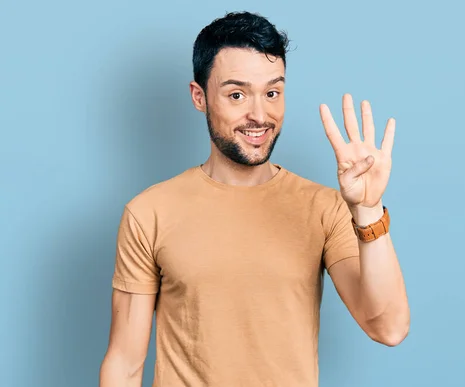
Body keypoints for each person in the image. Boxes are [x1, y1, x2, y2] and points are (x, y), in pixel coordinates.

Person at [99, 10, 410, 387]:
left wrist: (368, 209)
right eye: (236, 94)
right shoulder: (149, 213)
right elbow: (125, 363)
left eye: (272, 93)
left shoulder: (324, 208)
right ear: (199, 97)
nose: (259, 115)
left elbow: (389, 328)